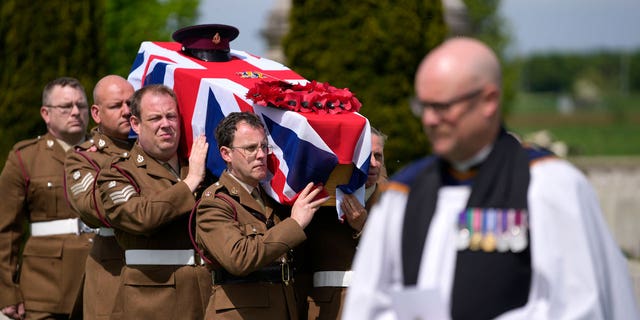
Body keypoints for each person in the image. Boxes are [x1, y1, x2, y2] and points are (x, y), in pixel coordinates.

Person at [343, 37, 640, 320]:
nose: (429, 120)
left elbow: (583, 305)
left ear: (489, 101)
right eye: (424, 106)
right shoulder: (403, 194)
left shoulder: (551, 187)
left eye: (443, 107)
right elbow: (368, 303)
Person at [195, 111, 328, 319]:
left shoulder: (271, 197)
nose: (261, 155)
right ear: (226, 154)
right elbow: (239, 258)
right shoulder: (214, 203)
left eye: (264, 147)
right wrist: (294, 224)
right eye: (250, 148)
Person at [95, 84, 211, 319]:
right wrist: (190, 183)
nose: (165, 124)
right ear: (136, 124)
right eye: (155, 118)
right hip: (153, 300)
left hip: (208, 295)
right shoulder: (117, 172)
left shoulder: (200, 164)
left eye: (171, 116)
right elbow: (141, 218)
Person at [0, 77, 92, 320]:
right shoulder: (25, 157)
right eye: (66, 107)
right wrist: (6, 290)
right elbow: (5, 230)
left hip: (100, 285)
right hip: (45, 291)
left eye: (81, 106)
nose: (75, 112)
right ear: (46, 113)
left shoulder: (105, 155)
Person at [64, 75, 135, 320]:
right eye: (116, 106)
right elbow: (93, 210)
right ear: (96, 113)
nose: (127, 112)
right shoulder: (85, 157)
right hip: (113, 272)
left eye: (131, 104)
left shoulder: (155, 150)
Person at [301, 125, 388, 320]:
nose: (373, 163)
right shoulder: (320, 200)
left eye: (378, 156)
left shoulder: (396, 200)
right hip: (328, 310)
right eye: (367, 156)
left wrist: (364, 227)